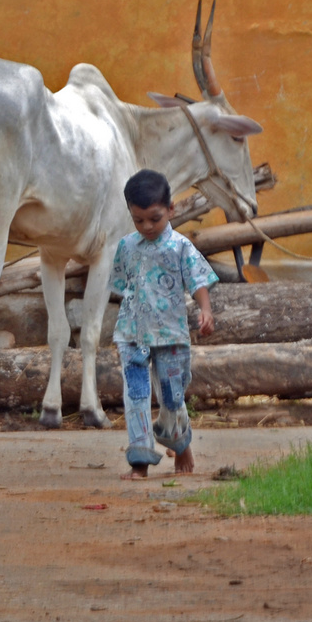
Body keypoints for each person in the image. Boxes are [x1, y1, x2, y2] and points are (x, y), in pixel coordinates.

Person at [111, 169, 218, 480]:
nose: (147, 226)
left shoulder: (180, 247)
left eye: (154, 219)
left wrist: (206, 310)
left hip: (171, 334)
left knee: (172, 394)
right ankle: (139, 460)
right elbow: (123, 285)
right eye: (138, 220)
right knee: (136, 393)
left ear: (171, 210)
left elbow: (197, 281)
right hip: (131, 333)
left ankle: (179, 442)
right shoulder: (127, 246)